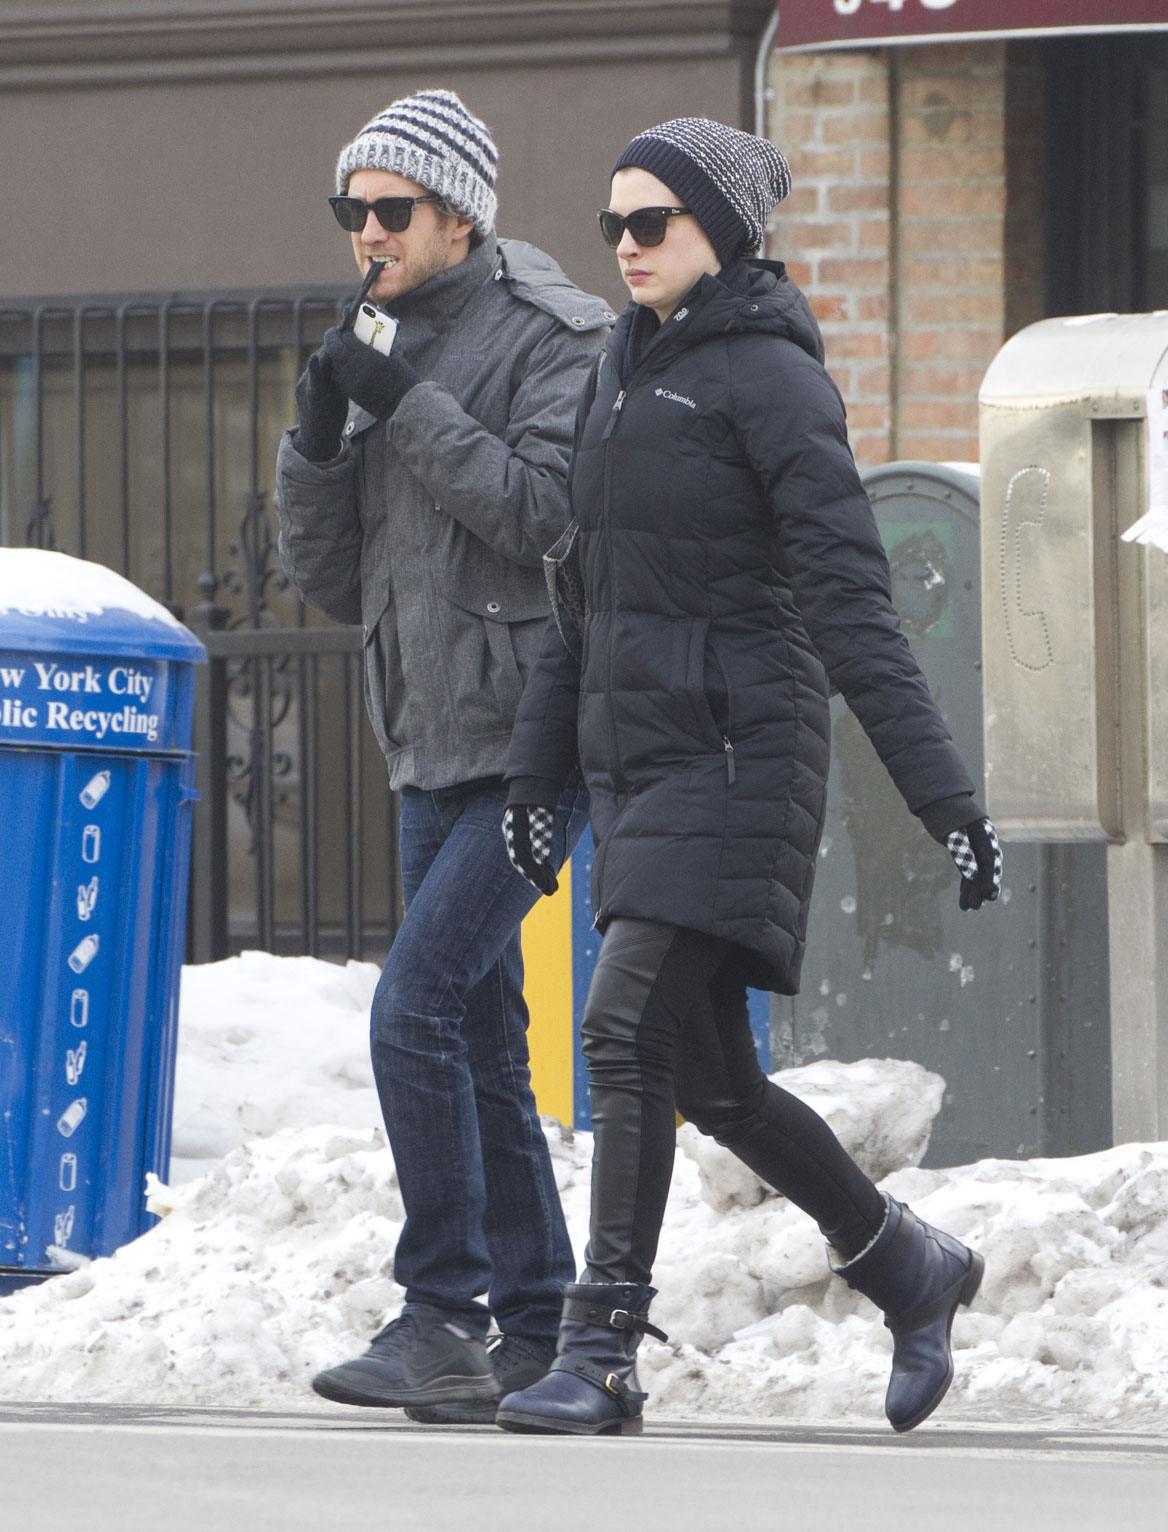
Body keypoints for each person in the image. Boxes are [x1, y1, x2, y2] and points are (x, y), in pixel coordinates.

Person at [496, 117, 1002, 1437]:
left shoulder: (772, 380)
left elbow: (851, 600)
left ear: (722, 228)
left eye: (649, 223)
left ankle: (600, 1348)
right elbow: (582, 600)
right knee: (709, 1079)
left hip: (737, 760)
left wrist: (943, 794)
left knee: (618, 1032)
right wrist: (536, 779)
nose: (624, 247)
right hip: (641, 767)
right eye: (611, 225)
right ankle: (907, 1264)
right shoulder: (620, 372)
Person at [275, 88, 612, 1422]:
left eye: (390, 208)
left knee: (409, 1005)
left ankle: (441, 1310)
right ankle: (533, 1328)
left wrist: (402, 400)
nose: (366, 230)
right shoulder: (376, 337)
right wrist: (314, 439)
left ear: (459, 215)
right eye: (351, 209)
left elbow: (541, 517)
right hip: (425, 735)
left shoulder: (554, 336)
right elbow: (329, 574)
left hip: (539, 739)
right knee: (477, 1036)